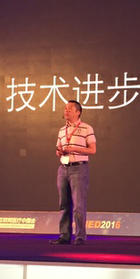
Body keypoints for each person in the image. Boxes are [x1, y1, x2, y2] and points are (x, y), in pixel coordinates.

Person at [51, 100, 96, 245]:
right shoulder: (61, 130)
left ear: (78, 112)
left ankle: (80, 237)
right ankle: (64, 236)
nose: (66, 110)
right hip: (63, 168)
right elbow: (58, 149)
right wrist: (60, 151)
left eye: (70, 108)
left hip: (79, 168)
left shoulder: (86, 128)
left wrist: (74, 149)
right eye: (65, 108)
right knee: (63, 204)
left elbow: (93, 150)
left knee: (78, 205)